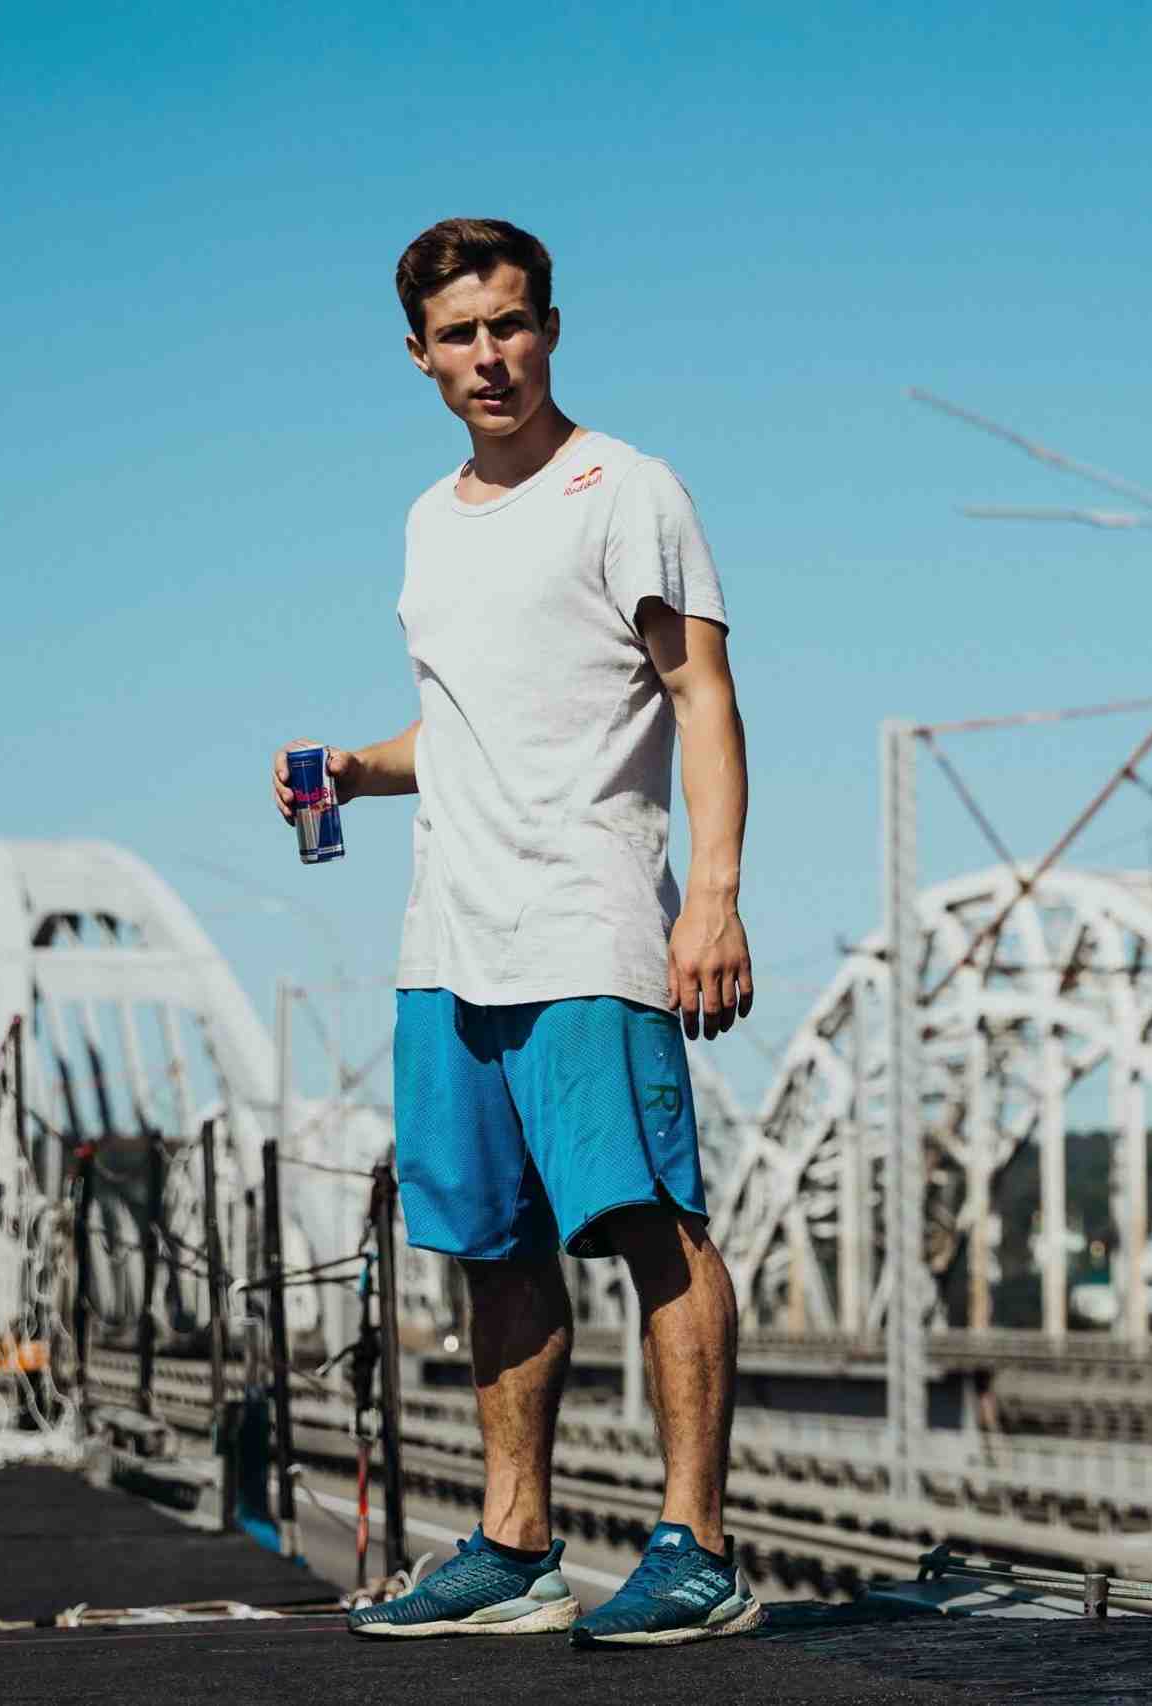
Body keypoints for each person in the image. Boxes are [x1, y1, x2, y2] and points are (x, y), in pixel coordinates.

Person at [273, 218, 757, 1649]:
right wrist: (357, 768)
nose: (490, 355)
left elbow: (701, 693)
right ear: (418, 356)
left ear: (550, 327)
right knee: (492, 1243)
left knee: (652, 1224)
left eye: (511, 323)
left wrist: (714, 894)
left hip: (587, 923)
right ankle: (514, 1545)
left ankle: (698, 1548)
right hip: (448, 937)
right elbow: (472, 725)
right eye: (460, 334)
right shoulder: (430, 522)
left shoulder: (628, 489)